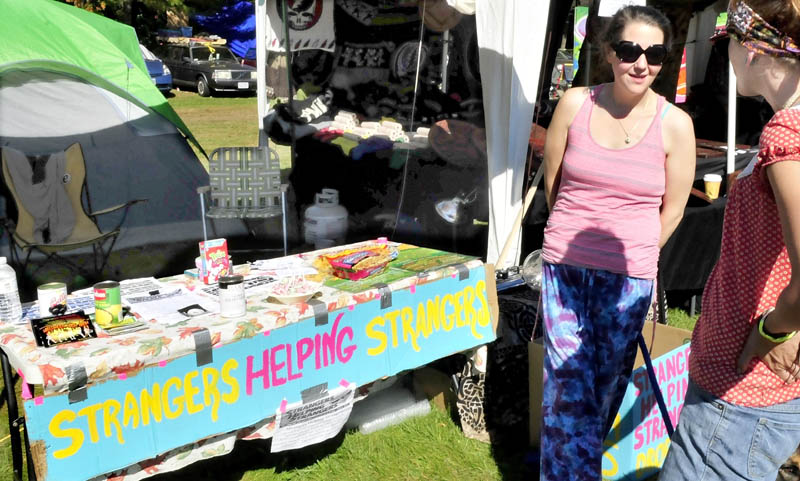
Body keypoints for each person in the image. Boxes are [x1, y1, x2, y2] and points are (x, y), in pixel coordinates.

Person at [538, 5, 696, 480]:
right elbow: (554, 185)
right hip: (565, 267)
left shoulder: (675, 125)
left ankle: (572, 466)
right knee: (567, 391)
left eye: (655, 54)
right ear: (608, 52)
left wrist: (640, 253)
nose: (641, 63)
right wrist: (567, 236)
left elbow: (673, 209)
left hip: (628, 279)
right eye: (629, 50)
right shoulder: (574, 104)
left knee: (603, 392)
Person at [659, 1, 800, 479]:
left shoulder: (787, 133)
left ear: (756, 51)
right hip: (754, 391)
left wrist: (775, 329)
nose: (726, 58)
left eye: (729, 45)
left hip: (741, 394)